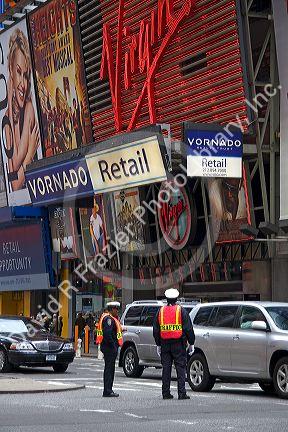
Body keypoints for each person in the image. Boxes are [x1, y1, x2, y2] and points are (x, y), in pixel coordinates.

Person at [4, 28, 40, 191]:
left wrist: (27, 157)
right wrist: (30, 152)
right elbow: (14, 177)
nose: (23, 84)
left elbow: (16, 182)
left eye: (26, 75)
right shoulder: (7, 116)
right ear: (10, 71)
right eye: (19, 72)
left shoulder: (30, 108)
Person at [153, 288, 195, 400]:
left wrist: (158, 344)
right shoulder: (181, 311)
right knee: (180, 368)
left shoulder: (160, 311)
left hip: (164, 343)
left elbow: (156, 330)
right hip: (178, 344)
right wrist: (191, 343)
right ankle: (182, 393)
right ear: (176, 299)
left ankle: (165, 393)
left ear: (166, 299)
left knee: (166, 368)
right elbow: (188, 328)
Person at [96, 301, 123, 398]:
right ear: (112, 309)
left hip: (107, 347)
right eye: (116, 309)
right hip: (109, 348)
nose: (117, 311)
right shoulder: (109, 319)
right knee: (109, 369)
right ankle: (107, 390)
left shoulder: (108, 318)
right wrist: (114, 346)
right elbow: (107, 334)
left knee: (109, 369)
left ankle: (108, 390)